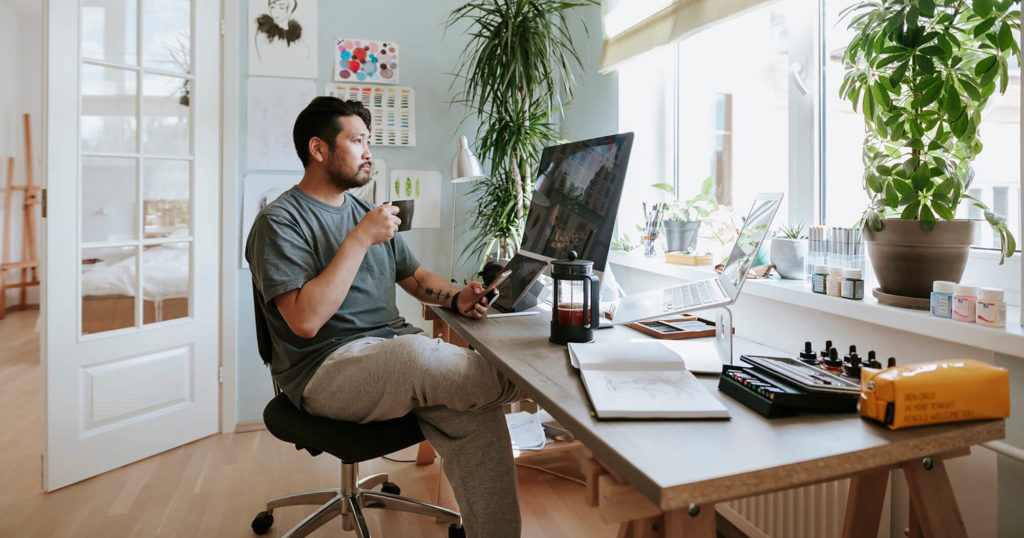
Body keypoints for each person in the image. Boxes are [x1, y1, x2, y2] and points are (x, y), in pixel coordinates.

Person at [245, 96, 522, 538]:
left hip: (391, 354)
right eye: (357, 141)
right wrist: (358, 239)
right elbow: (305, 321)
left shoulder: (367, 214)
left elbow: (415, 277)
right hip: (325, 370)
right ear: (319, 149)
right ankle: (533, 382)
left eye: (369, 141)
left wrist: (457, 297)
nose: (369, 152)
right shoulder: (280, 222)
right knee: (421, 355)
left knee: (476, 414)